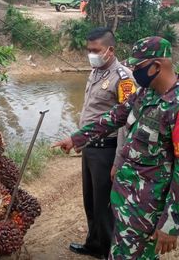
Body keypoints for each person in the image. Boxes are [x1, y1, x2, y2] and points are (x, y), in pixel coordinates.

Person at [54, 37, 179, 259]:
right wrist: (77, 139)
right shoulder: (146, 93)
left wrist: (171, 225)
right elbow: (115, 117)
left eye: (138, 67)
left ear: (156, 66)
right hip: (125, 199)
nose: (133, 71)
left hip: (146, 209)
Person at [69, 27, 136, 259]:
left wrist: (119, 161)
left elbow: (125, 123)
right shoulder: (96, 71)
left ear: (110, 50)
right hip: (89, 148)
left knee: (105, 205)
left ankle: (108, 251)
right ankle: (94, 243)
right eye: (89, 50)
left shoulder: (123, 78)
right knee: (91, 201)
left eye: (95, 50)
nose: (91, 54)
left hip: (106, 151)